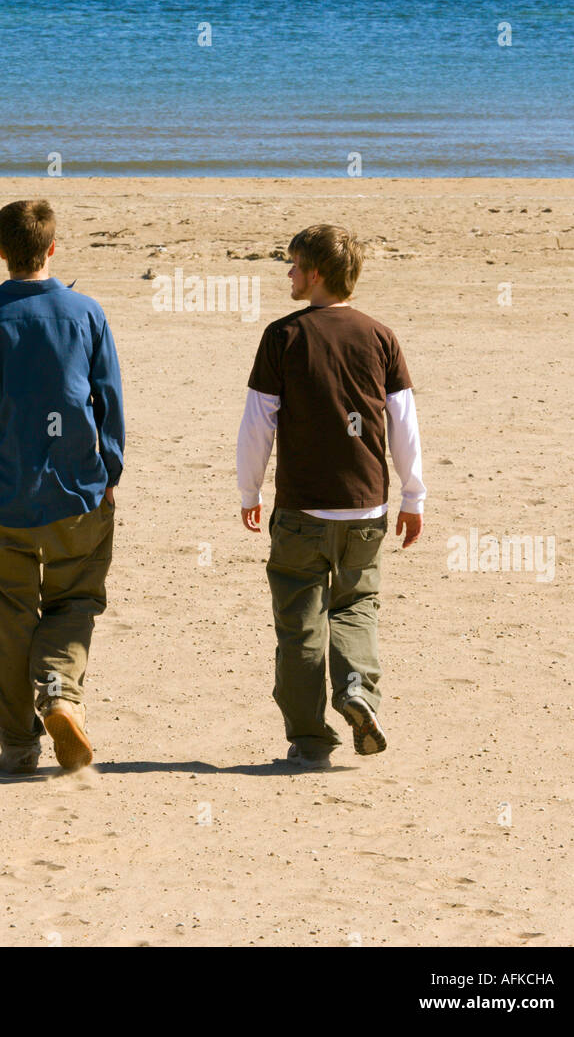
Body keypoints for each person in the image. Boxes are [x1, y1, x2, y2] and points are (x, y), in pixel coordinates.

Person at [0, 199, 124, 775]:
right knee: (74, 599)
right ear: (52, 248)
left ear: (0, 251)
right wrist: (110, 470)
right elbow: (107, 400)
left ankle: (19, 744)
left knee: (2, 616)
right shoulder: (85, 313)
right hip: (75, 491)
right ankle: (59, 689)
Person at [237, 224, 426, 770]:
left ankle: (310, 740)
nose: (289, 274)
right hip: (366, 506)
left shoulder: (282, 336)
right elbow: (403, 425)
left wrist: (249, 488)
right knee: (357, 604)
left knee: (300, 619)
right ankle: (357, 690)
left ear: (316, 273)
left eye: (294, 264)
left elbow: (258, 424)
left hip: (300, 509)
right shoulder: (380, 336)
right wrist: (413, 496)